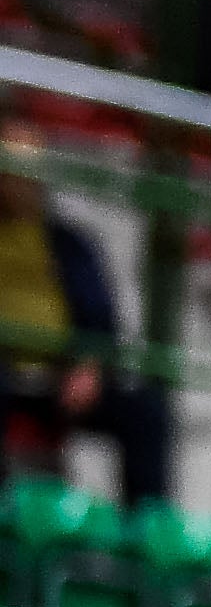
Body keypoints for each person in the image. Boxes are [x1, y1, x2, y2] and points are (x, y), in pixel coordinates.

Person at [0, 155, 172, 510]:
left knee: (146, 412)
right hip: (4, 371)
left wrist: (89, 364)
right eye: (13, 167)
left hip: (57, 377)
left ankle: (143, 542)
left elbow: (100, 317)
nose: (22, 180)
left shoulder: (69, 243)